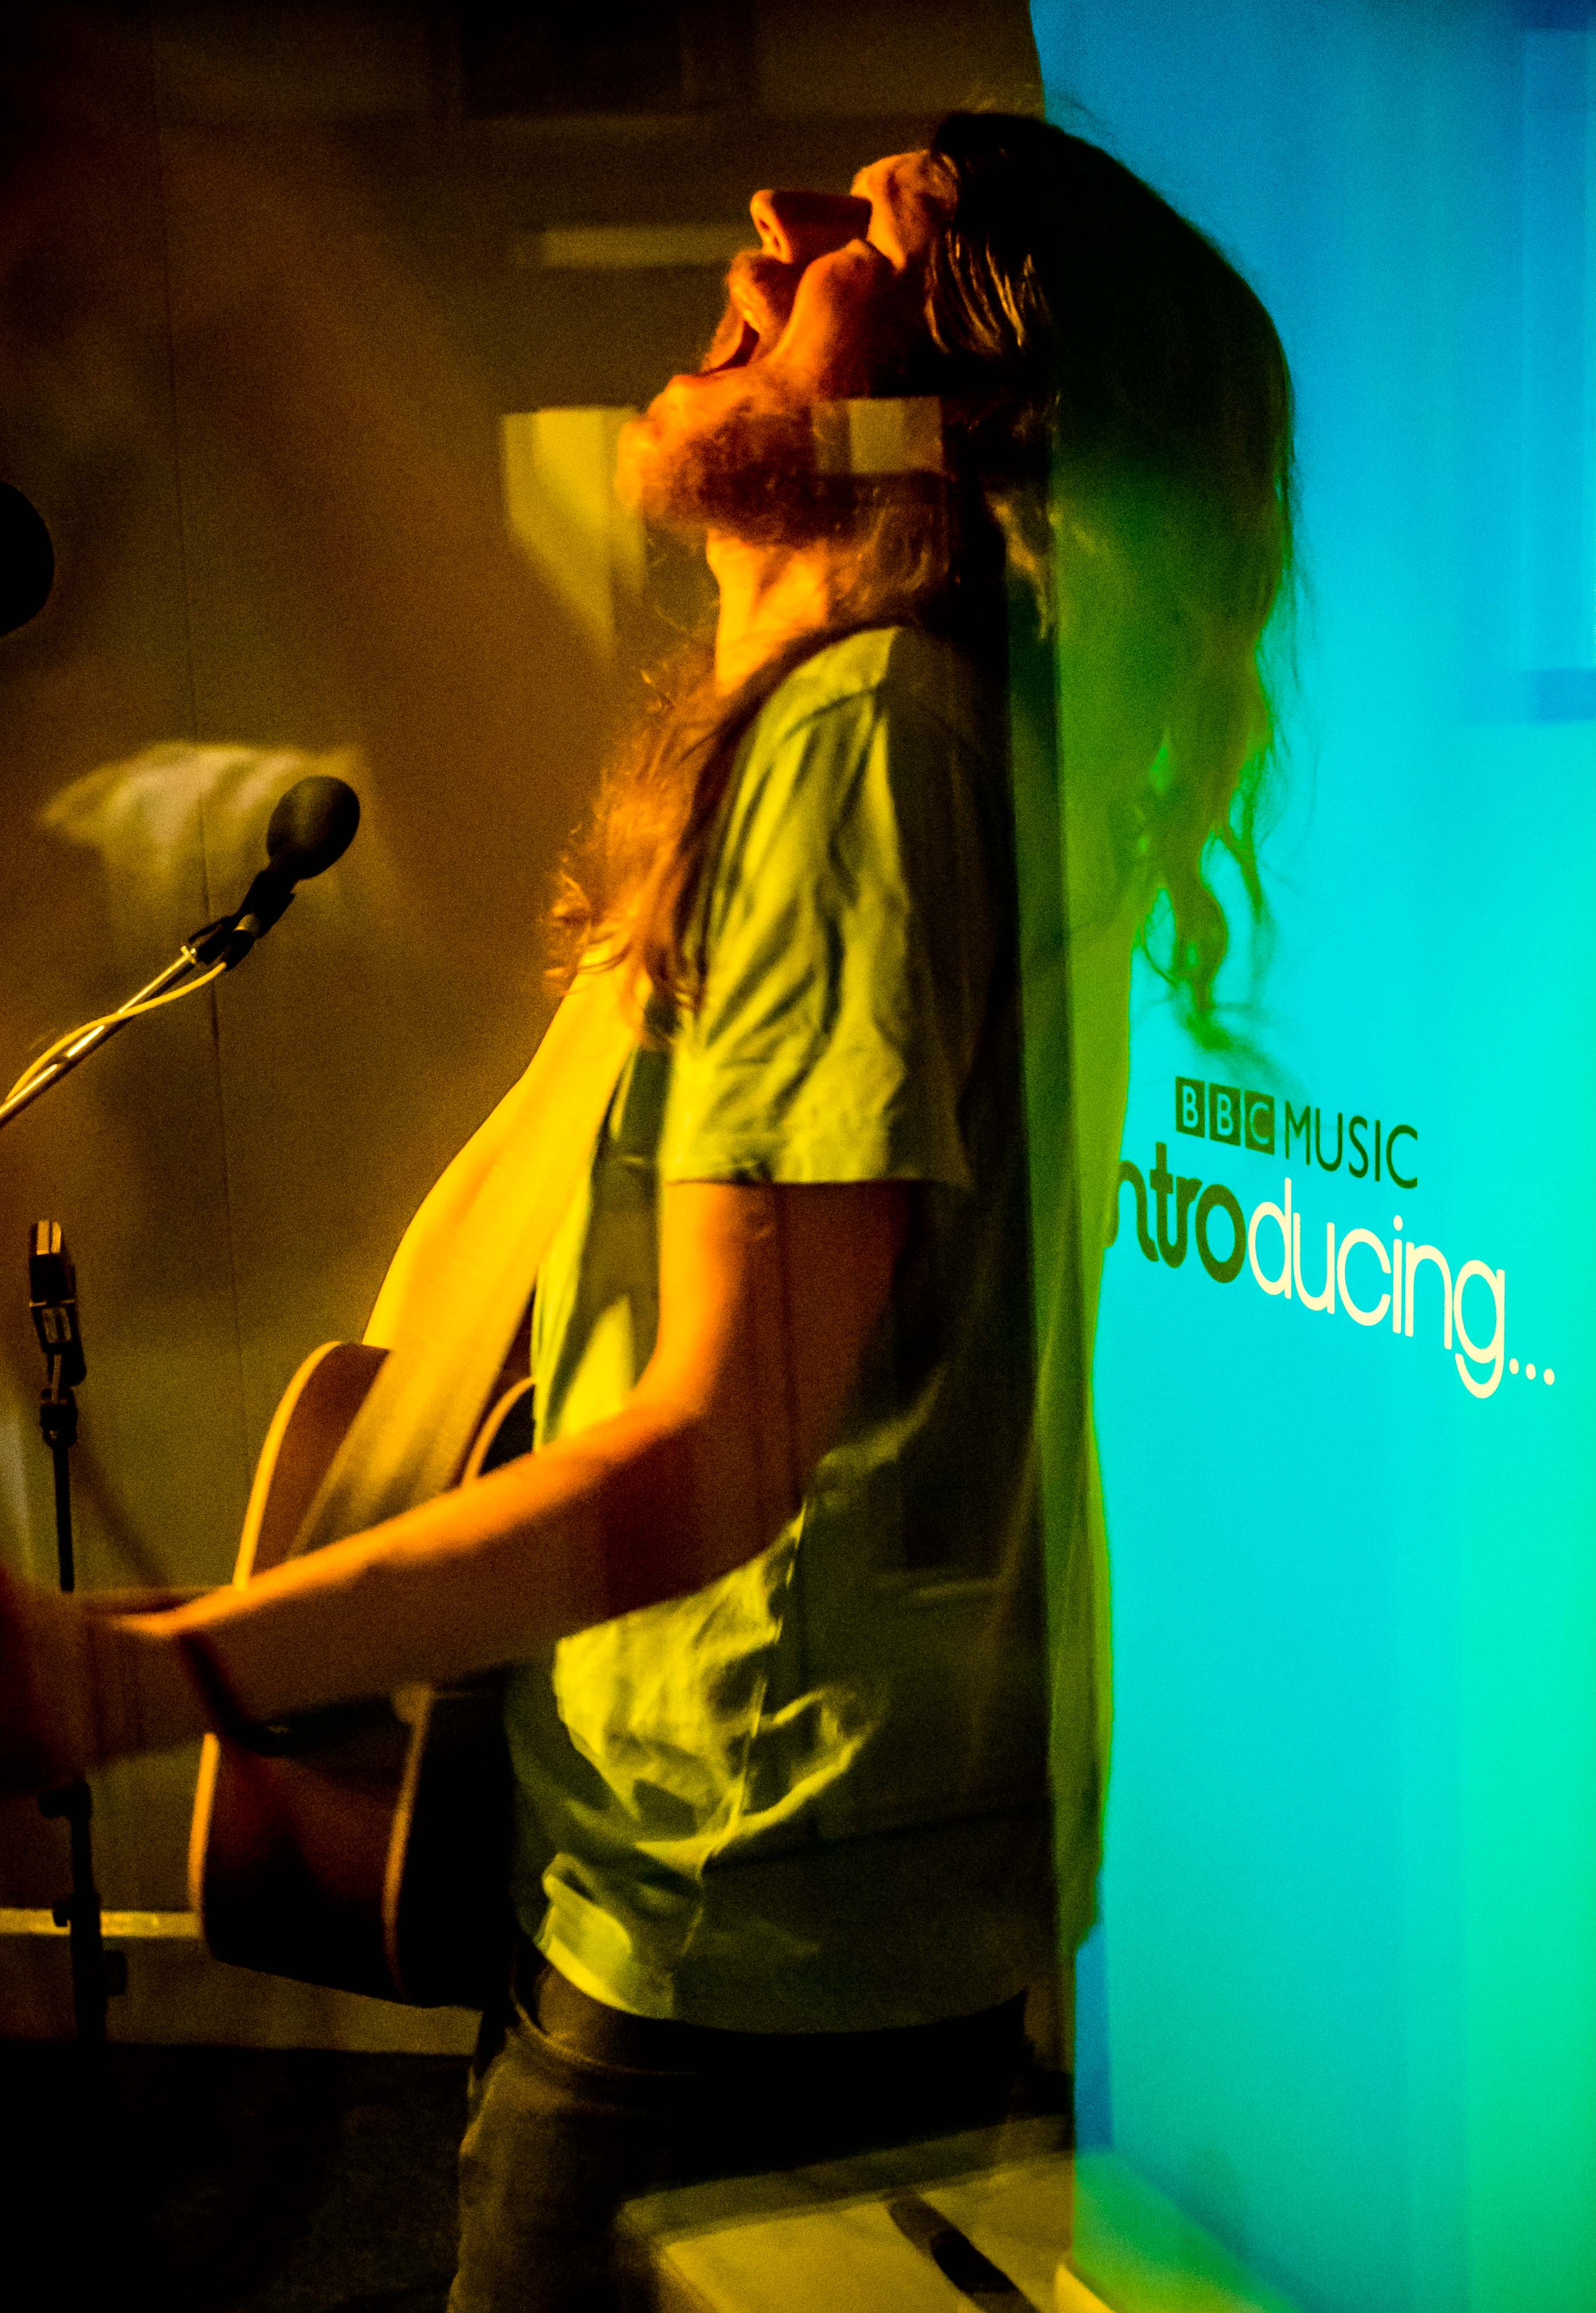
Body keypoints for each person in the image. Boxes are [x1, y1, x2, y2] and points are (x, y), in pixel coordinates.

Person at [0, 113, 1293, 2310]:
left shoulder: (866, 736)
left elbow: (712, 1450)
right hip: (797, 1885)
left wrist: (137, 1677)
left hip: (735, 1919)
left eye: (877, 225)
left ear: (967, 407)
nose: (775, 218)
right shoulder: (918, 719)